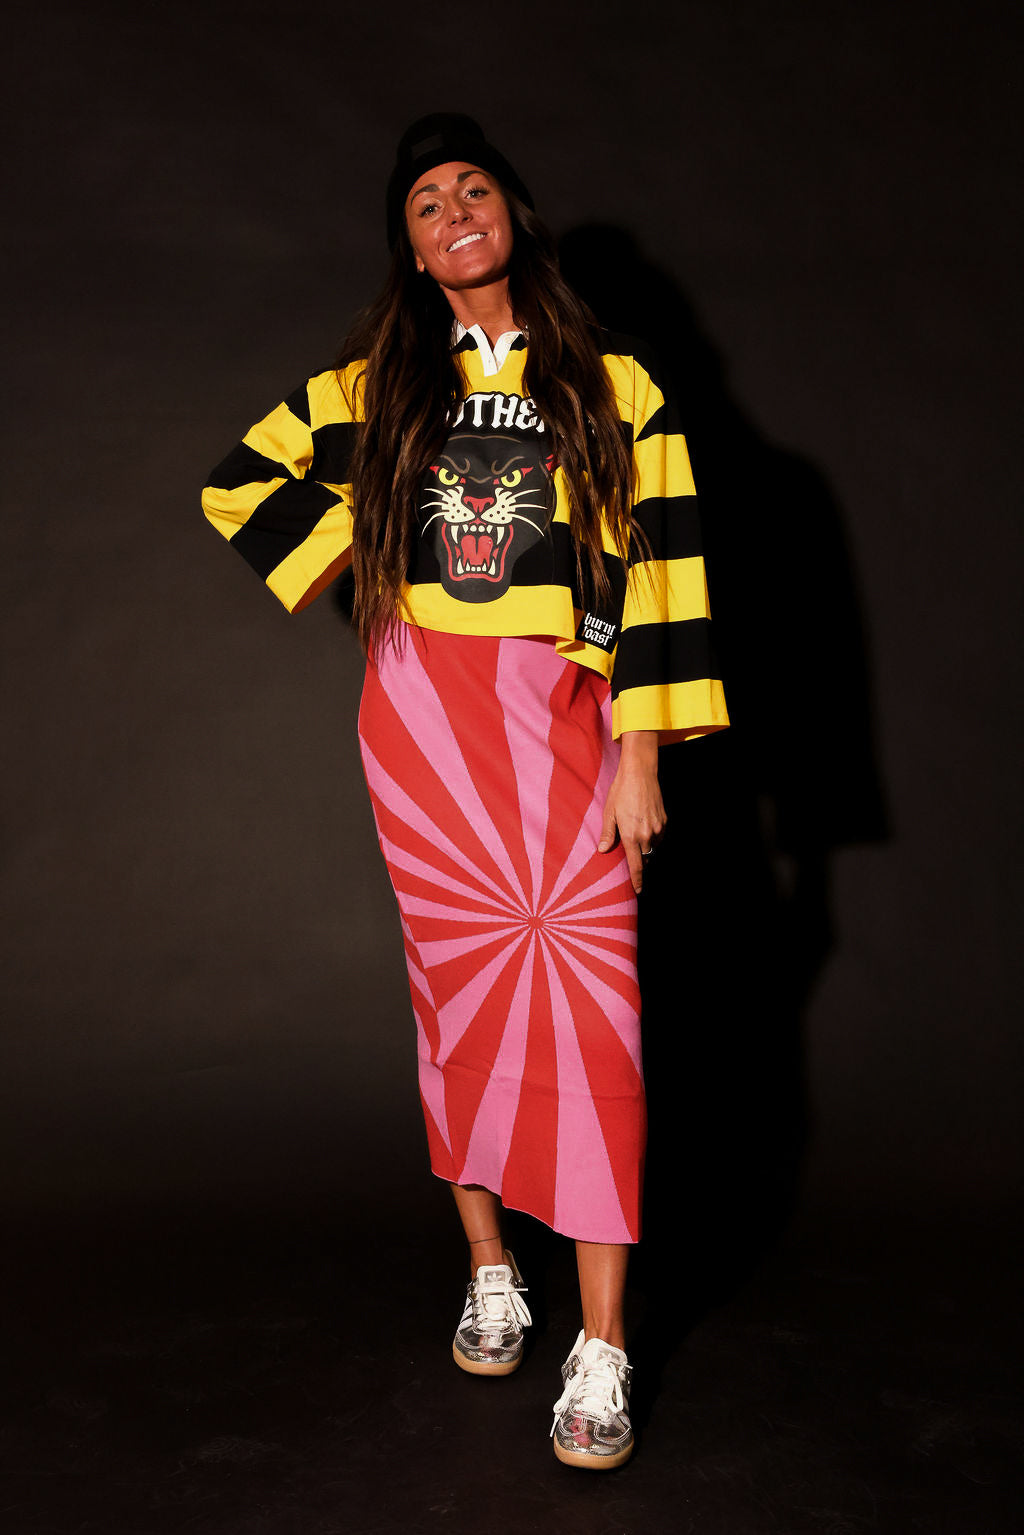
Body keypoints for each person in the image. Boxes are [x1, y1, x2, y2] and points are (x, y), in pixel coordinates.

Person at [202, 113, 728, 1470]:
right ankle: (493, 1270)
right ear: (413, 248)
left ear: (515, 213)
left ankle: (602, 1344)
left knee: (596, 1017)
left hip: (564, 717)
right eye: (425, 204)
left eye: (472, 188)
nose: (452, 212)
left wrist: (640, 750)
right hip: (422, 723)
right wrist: (375, 567)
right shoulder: (377, 381)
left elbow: (660, 560)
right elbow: (236, 483)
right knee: (459, 999)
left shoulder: (612, 378)